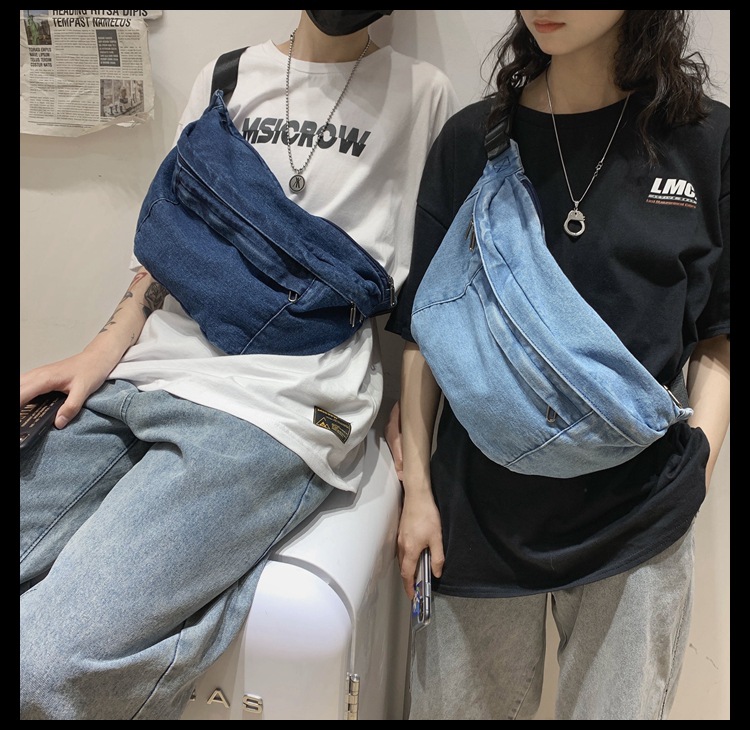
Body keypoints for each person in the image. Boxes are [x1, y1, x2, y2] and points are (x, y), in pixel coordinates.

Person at [20, 10, 457, 720]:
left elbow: (426, 301)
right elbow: (165, 250)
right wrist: (97, 355)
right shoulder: (226, 75)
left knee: (42, 665)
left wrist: (422, 482)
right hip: (148, 375)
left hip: (284, 406)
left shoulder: (422, 92)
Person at [385, 10, 729, 721]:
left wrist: (697, 468)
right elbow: (425, 328)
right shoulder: (474, 141)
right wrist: (418, 491)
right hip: (477, 515)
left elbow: (719, 335)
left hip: (639, 519)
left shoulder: (704, 141)